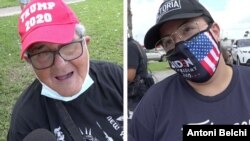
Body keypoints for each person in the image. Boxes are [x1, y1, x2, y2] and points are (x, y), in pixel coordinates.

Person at [129, 0, 250, 140]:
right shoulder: (154, 103)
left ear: (215, 32)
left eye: (187, 30)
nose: (179, 45)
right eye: (168, 41)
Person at [7, 0, 123, 140]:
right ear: (29, 61)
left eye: (68, 46)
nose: (60, 64)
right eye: (42, 54)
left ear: (85, 44)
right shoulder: (26, 120)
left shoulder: (115, 77)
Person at [127, 37, 154, 115]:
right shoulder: (135, 43)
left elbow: (129, 76)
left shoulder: (130, 46)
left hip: (136, 93)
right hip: (143, 87)